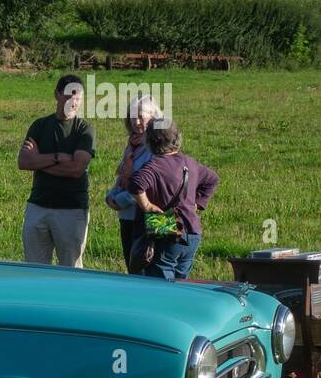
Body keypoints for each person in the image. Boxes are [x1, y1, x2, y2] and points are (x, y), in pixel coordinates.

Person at [18, 75, 95, 268]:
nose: (74, 102)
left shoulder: (84, 129)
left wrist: (40, 161)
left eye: (78, 98)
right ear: (57, 95)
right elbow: (24, 161)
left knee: (71, 270)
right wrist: (59, 157)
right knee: (34, 269)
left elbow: (77, 169)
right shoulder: (39, 126)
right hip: (38, 205)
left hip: (71, 209)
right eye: (70, 96)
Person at [129, 122, 219, 280]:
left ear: (149, 141)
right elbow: (212, 179)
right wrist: (197, 204)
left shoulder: (155, 165)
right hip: (192, 231)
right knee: (181, 284)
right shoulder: (190, 162)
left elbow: (135, 183)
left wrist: (147, 206)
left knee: (162, 286)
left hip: (167, 227)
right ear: (177, 138)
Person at [104, 96, 160, 274]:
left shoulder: (156, 148)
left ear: (153, 117)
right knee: (132, 268)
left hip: (145, 218)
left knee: (145, 269)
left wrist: (120, 200)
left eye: (141, 117)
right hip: (126, 216)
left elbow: (146, 185)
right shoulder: (132, 145)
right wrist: (111, 195)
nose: (136, 122)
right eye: (132, 116)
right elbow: (123, 176)